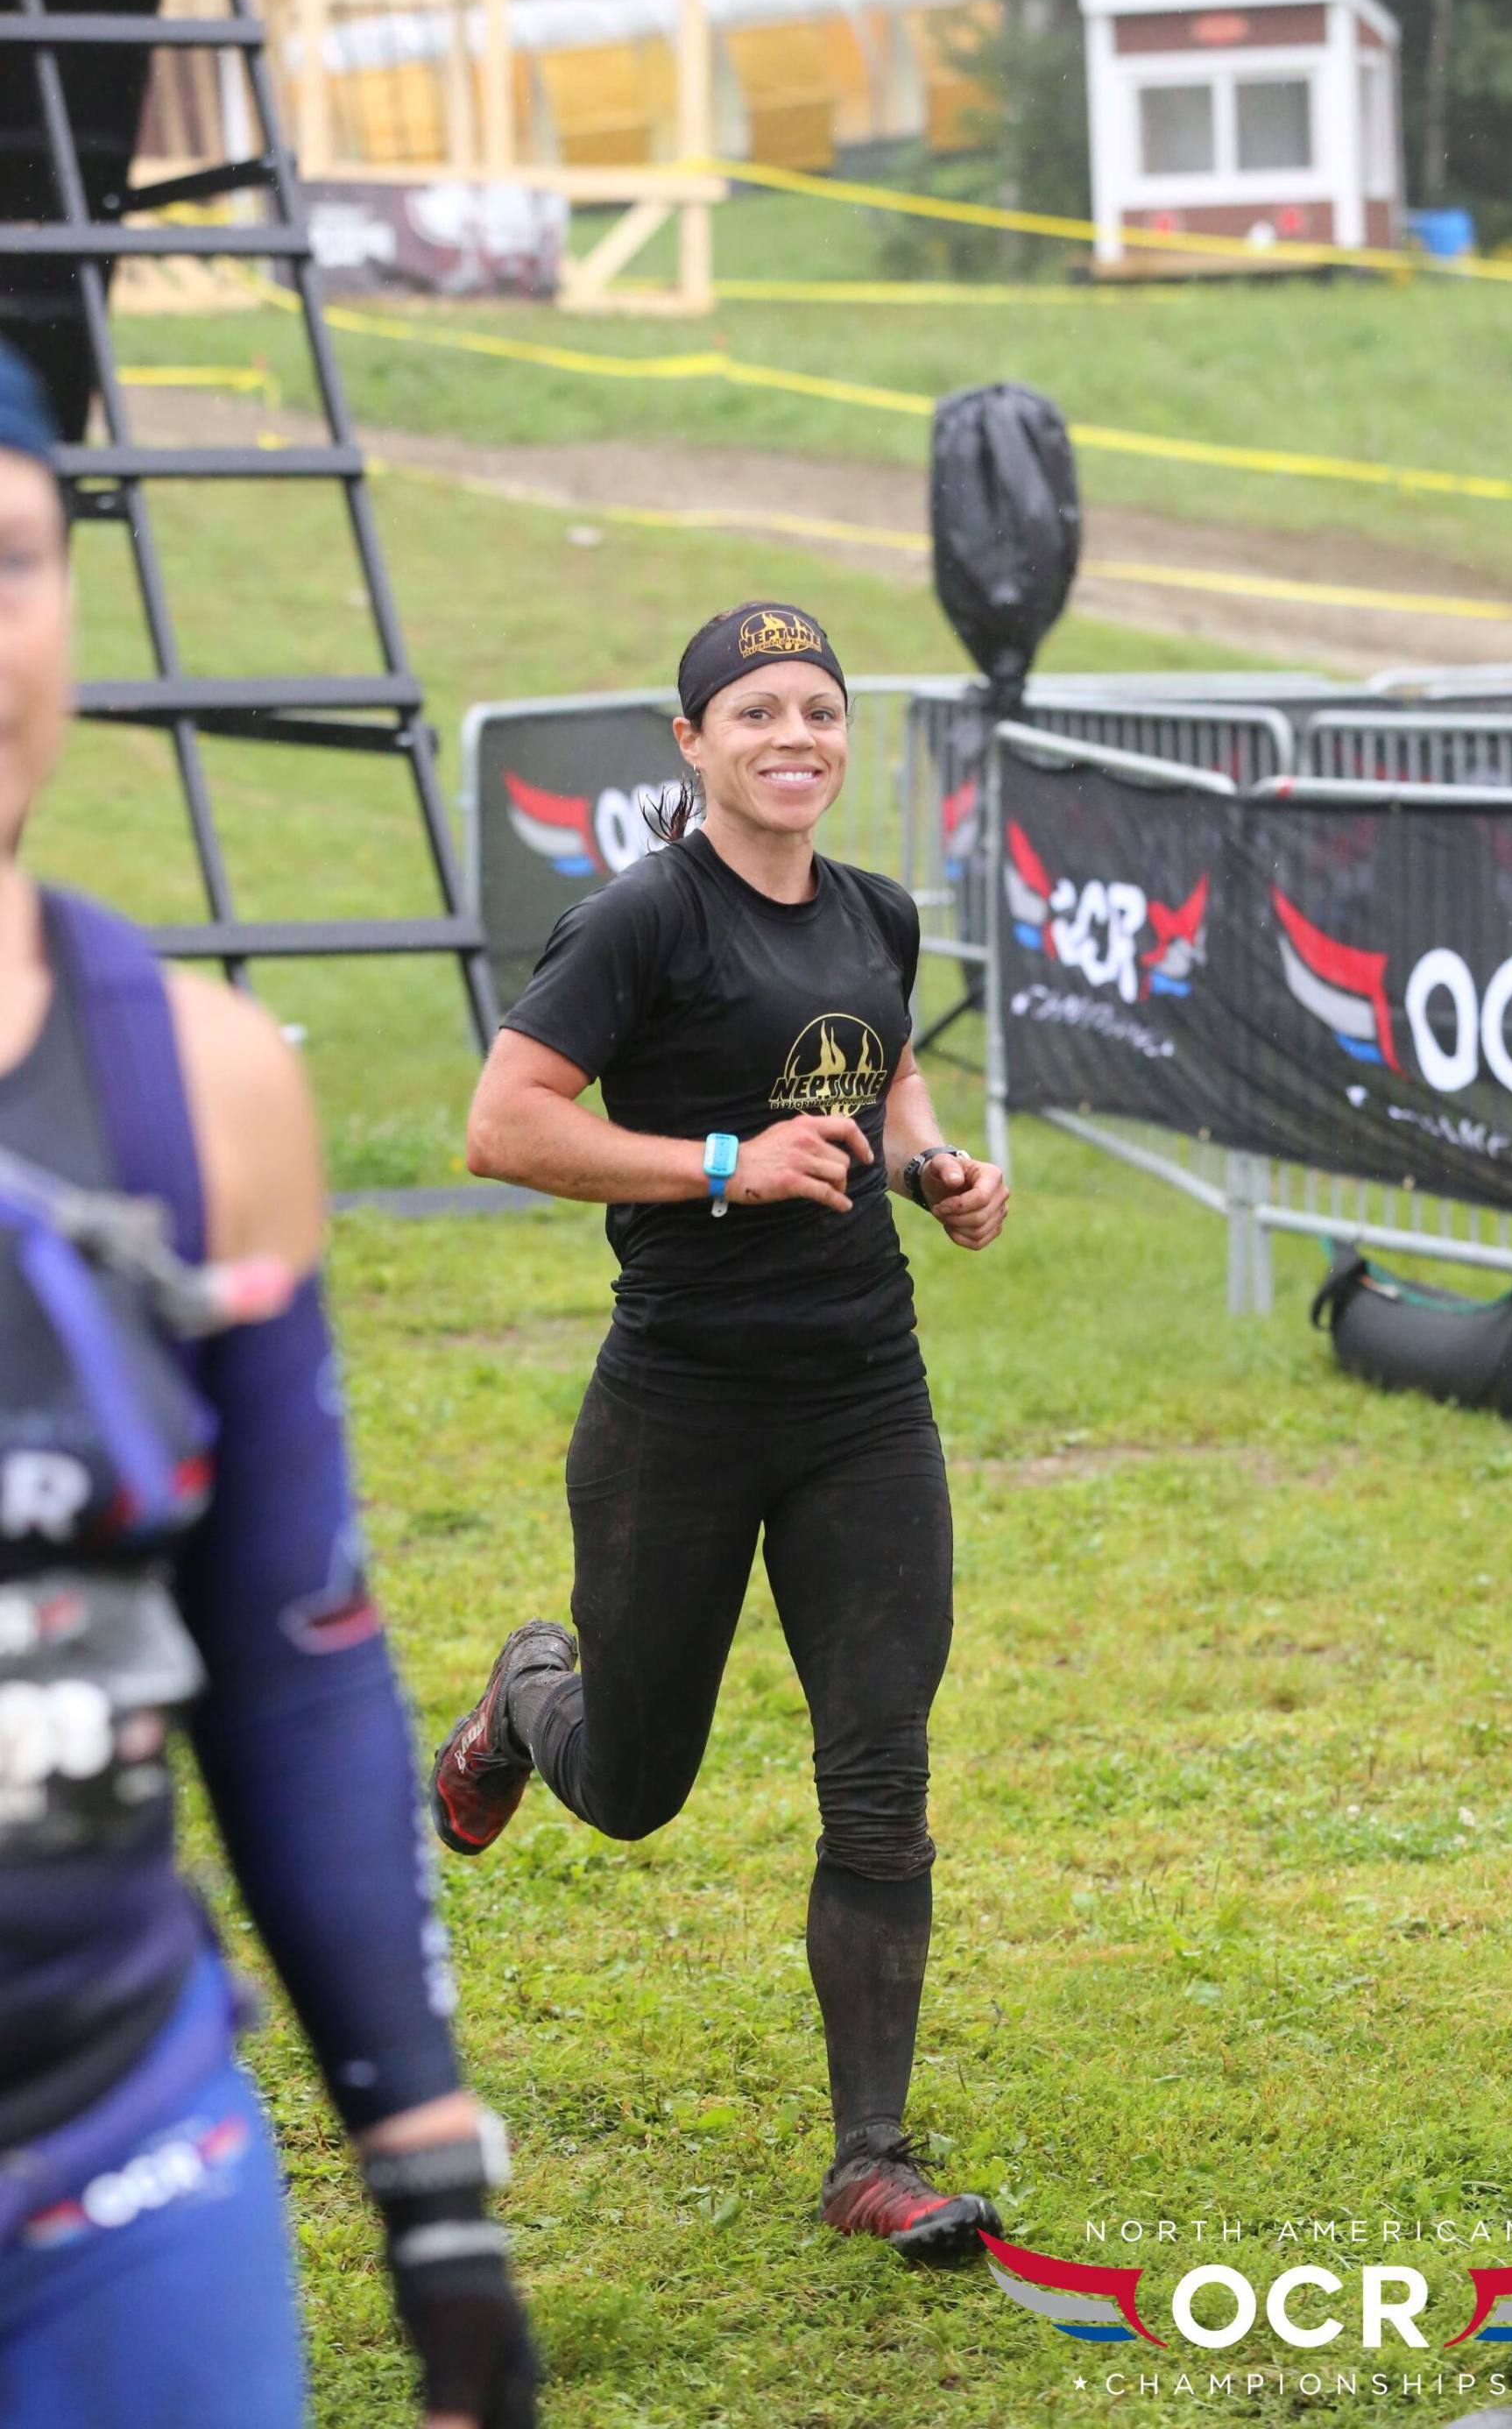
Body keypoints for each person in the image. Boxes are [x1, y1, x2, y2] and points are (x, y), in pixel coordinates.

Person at [0, 335, 536, 2427]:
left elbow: (294, 1657)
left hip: (115, 2171)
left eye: (20, 562)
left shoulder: (195, 1089)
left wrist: (429, 2183)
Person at [433, 599, 1011, 2258]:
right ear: (691, 745)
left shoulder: (875, 912)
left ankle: (872, 2159)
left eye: (819, 712)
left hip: (861, 1399)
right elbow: (502, 1126)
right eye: (755, 712)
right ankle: (524, 1696)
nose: (795, 739)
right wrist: (718, 1165)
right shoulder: (637, 921)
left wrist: (931, 1168)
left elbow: (877, 1071)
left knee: (880, 1778)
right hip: (679, 1406)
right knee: (630, 1787)